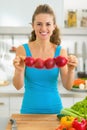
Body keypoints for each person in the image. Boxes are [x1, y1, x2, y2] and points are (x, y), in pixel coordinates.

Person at [13, 4, 78, 114]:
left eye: (48, 24)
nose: (43, 28)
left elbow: (68, 86)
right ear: (33, 26)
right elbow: (18, 86)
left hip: (55, 111)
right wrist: (19, 70)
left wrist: (71, 70)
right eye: (39, 24)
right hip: (28, 112)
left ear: (54, 26)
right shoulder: (22, 50)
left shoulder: (60, 51)